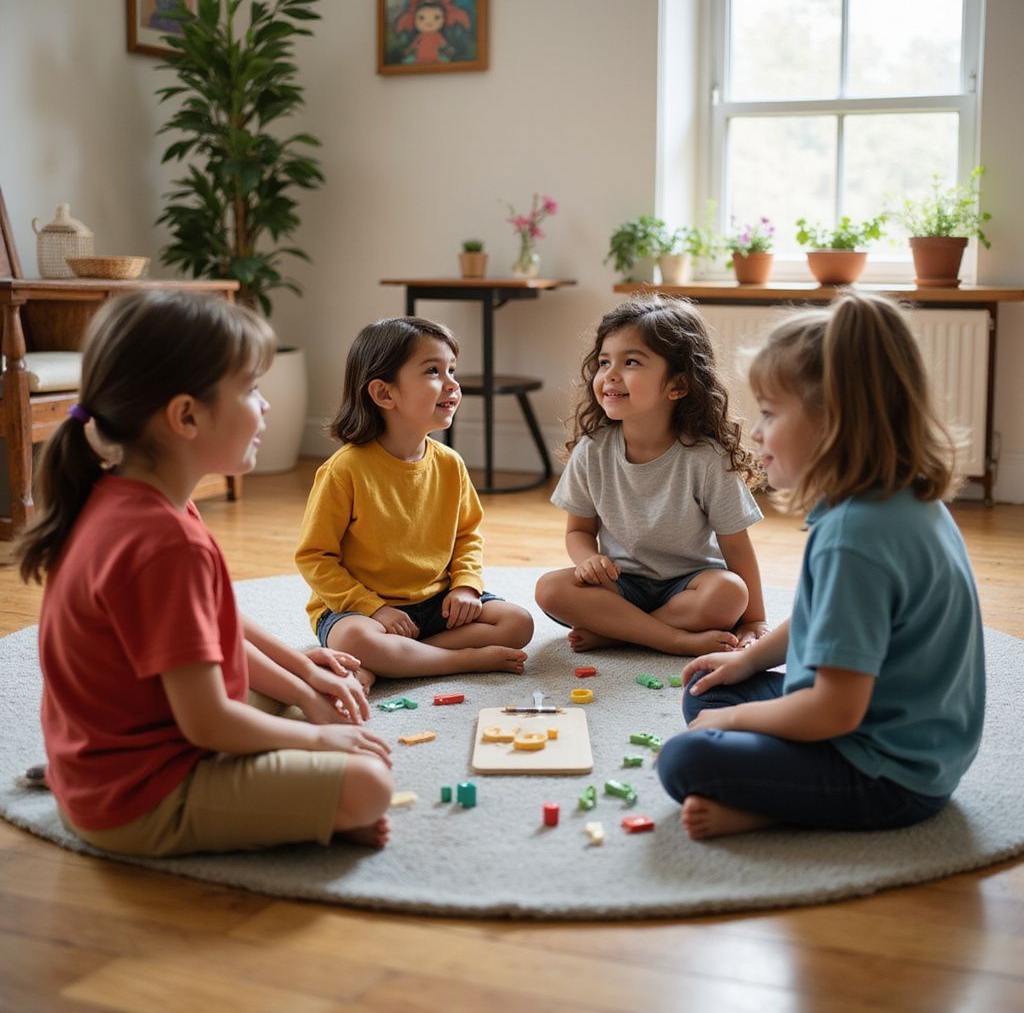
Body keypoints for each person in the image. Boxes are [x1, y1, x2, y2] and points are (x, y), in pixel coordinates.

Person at [16, 291, 394, 857]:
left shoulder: (135, 496)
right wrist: (321, 741)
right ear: (186, 416)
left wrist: (303, 678)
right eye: (250, 389)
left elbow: (211, 628)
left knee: (310, 692)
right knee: (367, 784)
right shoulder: (164, 542)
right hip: (137, 800)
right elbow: (210, 723)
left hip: (113, 755)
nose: (264, 406)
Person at [656, 292, 985, 840]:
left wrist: (734, 720)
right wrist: (747, 660)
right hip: (917, 741)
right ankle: (779, 785)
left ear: (834, 421)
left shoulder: (856, 539)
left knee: (686, 758)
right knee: (707, 689)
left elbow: (834, 712)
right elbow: (822, 618)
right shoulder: (897, 499)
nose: (755, 433)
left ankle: (778, 809)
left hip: (888, 774)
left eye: (768, 412)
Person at [295, 316, 533, 680]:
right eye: (433, 371)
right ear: (384, 393)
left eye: (452, 369)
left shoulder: (450, 464)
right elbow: (315, 558)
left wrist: (466, 586)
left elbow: (467, 535)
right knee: (357, 639)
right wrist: (373, 609)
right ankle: (458, 660)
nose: (452, 384)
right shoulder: (344, 471)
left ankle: (397, 661)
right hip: (363, 611)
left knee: (518, 623)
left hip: (437, 604)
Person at [535, 296, 768, 656]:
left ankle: (619, 631)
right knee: (550, 590)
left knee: (730, 593)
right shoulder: (592, 450)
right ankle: (671, 638)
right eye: (603, 362)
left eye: (630, 362)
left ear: (677, 385)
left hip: (689, 586)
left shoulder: (706, 458)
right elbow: (578, 532)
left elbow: (736, 547)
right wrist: (587, 560)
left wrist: (754, 620)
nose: (610, 374)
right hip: (619, 583)